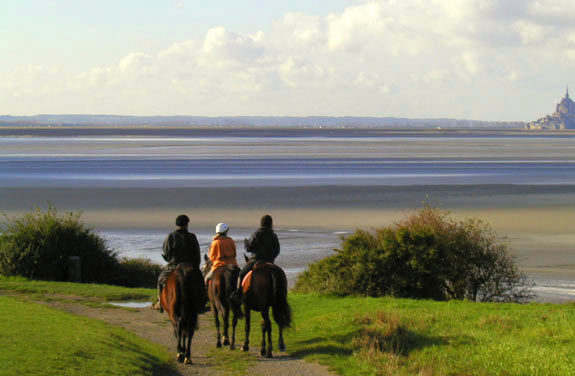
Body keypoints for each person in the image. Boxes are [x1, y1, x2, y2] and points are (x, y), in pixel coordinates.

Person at [152, 214, 206, 312]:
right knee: (201, 283)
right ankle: (202, 304)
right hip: (190, 266)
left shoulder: (170, 236)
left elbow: (166, 252)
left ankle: (160, 302)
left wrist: (170, 260)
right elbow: (197, 253)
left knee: (160, 280)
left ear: (177, 224)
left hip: (174, 266)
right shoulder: (192, 237)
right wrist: (196, 267)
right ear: (187, 224)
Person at [231, 214, 280, 303]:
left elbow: (249, 248)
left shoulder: (257, 234)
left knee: (241, 274)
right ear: (271, 224)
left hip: (256, 260)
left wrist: (246, 242)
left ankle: (238, 294)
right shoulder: (274, 235)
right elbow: (277, 250)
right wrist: (271, 259)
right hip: (270, 261)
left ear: (261, 223)